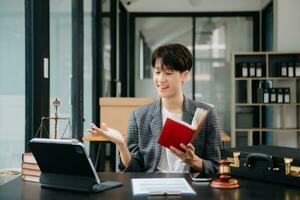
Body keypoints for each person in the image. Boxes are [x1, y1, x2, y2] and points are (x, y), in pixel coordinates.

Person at [89, 43, 221, 177]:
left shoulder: (206, 114)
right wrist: (121, 144)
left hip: (193, 186)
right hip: (152, 183)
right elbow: (133, 170)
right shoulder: (139, 116)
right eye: (157, 72)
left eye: (168, 72)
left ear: (185, 75)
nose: (161, 79)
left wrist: (194, 161)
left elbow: (216, 167)